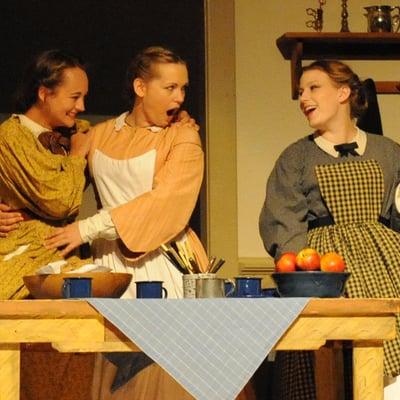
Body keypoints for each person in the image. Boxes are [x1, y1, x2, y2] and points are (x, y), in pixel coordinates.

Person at [44, 46, 255, 400]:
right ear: (141, 88)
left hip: (164, 263)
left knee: (172, 374)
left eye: (184, 88)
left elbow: (166, 203)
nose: (180, 96)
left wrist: (89, 227)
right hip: (109, 267)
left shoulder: (183, 137)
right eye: (170, 88)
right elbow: (54, 187)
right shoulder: (98, 134)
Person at [259, 60, 400, 400]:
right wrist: (304, 277)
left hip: (387, 262)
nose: (303, 97)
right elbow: (284, 225)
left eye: (313, 88)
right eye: (300, 92)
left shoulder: (388, 151)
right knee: (329, 365)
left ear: (343, 92)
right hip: (326, 268)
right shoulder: (296, 158)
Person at [0, 49, 94, 400]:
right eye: (74, 97)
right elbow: (59, 200)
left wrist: (178, 119)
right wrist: (76, 158)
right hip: (23, 264)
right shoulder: (11, 137)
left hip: (62, 258)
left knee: (74, 360)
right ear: (44, 92)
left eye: (84, 97)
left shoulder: (74, 132)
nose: (81, 106)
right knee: (34, 368)